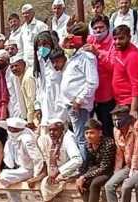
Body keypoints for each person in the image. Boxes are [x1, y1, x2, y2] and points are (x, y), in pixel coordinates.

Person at [31, 119, 83, 202]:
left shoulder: (68, 138)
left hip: (71, 172)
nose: (51, 133)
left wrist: (60, 171)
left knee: (46, 183)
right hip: (56, 173)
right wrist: (38, 176)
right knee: (44, 180)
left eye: (55, 130)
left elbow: (77, 160)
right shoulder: (49, 140)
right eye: (50, 130)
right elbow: (47, 162)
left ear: (62, 130)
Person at [57, 23, 99, 153]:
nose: (71, 41)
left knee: (83, 138)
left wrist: (79, 100)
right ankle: (84, 164)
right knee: (79, 136)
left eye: (74, 38)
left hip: (79, 105)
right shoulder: (74, 55)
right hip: (71, 103)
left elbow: (93, 82)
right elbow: (60, 48)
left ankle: (85, 166)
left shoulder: (88, 57)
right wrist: (65, 41)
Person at [74, 119, 116, 202]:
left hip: (109, 171)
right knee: (82, 184)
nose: (89, 136)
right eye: (87, 133)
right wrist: (80, 177)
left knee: (95, 184)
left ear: (100, 133)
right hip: (95, 169)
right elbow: (88, 164)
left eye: (92, 133)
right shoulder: (88, 145)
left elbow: (105, 167)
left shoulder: (109, 143)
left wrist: (85, 177)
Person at [86, 15, 116, 137]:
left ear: (108, 28)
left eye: (101, 27)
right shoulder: (90, 40)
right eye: (95, 28)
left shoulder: (113, 43)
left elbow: (114, 65)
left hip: (107, 94)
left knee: (107, 127)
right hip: (91, 94)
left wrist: (98, 53)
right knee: (90, 128)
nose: (98, 30)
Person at [110, 25, 138, 121]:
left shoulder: (133, 56)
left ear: (129, 38)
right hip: (119, 101)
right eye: (115, 39)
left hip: (129, 103)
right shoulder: (118, 51)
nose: (117, 42)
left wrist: (133, 109)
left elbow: (137, 84)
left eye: (121, 38)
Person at [0, 117, 39, 186]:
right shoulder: (13, 137)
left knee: (4, 176)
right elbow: (6, 125)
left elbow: (37, 159)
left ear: (20, 129)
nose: (10, 130)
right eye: (9, 128)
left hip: (28, 169)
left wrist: (36, 176)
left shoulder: (27, 139)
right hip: (19, 167)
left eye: (13, 129)